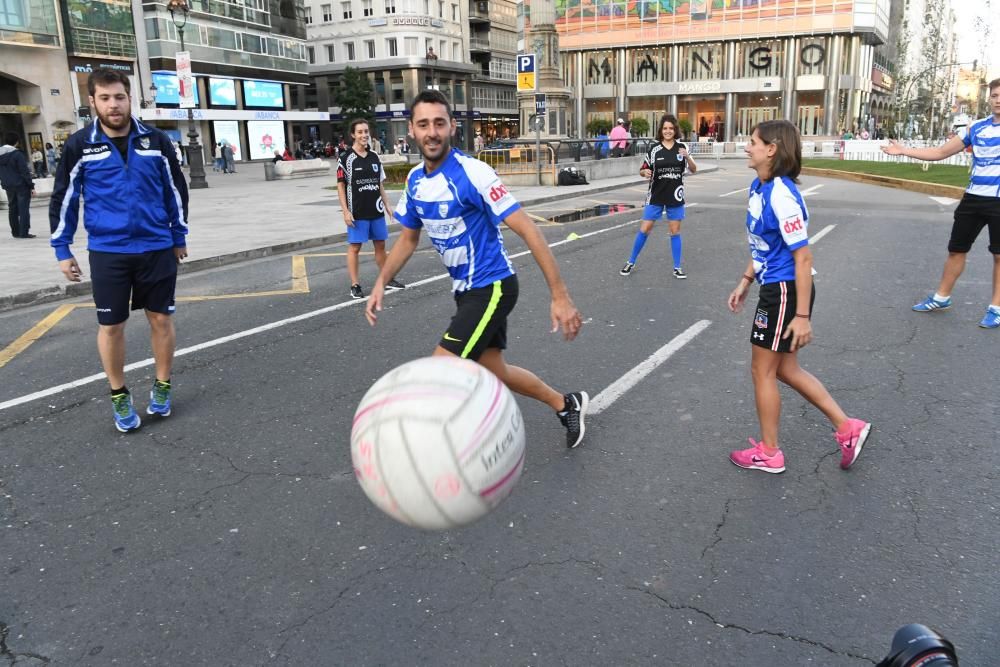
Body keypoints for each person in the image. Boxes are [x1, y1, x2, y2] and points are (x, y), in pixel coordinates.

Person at [365, 90, 589, 449]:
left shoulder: (474, 172)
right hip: (465, 291)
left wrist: (560, 295)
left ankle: (434, 455)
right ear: (412, 129)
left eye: (439, 123)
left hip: (493, 286)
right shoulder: (414, 181)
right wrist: (380, 282)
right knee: (494, 371)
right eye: (423, 124)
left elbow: (528, 228)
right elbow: (408, 240)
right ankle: (566, 404)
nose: (432, 132)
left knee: (441, 370)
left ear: (452, 126)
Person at [726, 120, 871, 474]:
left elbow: (803, 256)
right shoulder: (758, 187)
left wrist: (802, 315)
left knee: (762, 370)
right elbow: (764, 246)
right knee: (786, 369)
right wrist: (746, 280)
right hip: (775, 286)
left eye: (752, 141)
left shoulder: (781, 194)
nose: (747, 147)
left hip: (785, 290)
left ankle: (770, 452)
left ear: (771, 149)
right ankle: (847, 427)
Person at [49, 68, 189, 433]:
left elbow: (175, 191)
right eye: (106, 98)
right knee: (111, 325)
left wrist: (178, 236)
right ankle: (119, 394)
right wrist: (62, 248)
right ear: (92, 101)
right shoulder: (80, 144)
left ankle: (162, 385)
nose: (114, 105)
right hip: (108, 250)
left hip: (157, 245)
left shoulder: (156, 140)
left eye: (120, 97)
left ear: (130, 98)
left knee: (160, 318)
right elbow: (65, 197)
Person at [881, 78, 1000, 329]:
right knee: (956, 249)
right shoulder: (975, 128)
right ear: (989, 98)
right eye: (995, 95)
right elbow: (940, 152)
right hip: (974, 197)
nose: (998, 99)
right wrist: (904, 151)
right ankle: (942, 297)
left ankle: (996, 308)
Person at [620, 114, 697, 278]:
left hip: (675, 196)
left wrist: (687, 157)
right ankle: (630, 262)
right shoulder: (654, 149)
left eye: (671, 128)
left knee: (675, 231)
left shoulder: (682, 147)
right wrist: (644, 172)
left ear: (675, 130)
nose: (668, 131)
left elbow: (693, 169)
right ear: (661, 130)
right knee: (645, 229)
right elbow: (643, 169)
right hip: (655, 195)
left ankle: (677, 267)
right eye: (665, 128)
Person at [336, 118, 406, 299]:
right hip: (357, 211)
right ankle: (355, 285)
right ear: (353, 135)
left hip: (376, 210)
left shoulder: (375, 156)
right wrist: (345, 211)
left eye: (366, 131)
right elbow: (341, 186)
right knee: (355, 248)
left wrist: (388, 205)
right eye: (359, 132)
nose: (364, 135)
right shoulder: (346, 158)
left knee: (381, 245)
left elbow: (379, 184)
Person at [0, 132, 36, 238]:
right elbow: (24, 171)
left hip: (8, 185)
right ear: (16, 142)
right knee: (23, 208)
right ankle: (24, 232)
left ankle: (15, 232)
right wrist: (31, 186)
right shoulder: (17, 154)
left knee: (12, 208)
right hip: (21, 185)